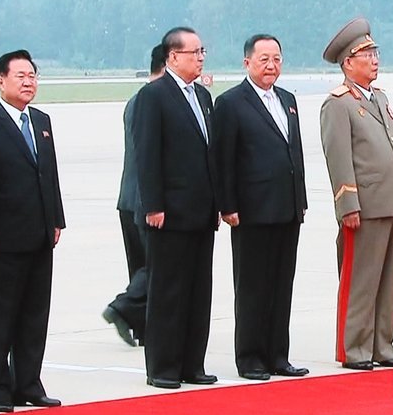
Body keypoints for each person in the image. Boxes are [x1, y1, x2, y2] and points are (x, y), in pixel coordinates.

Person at [0, 49, 65, 412]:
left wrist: (56, 219)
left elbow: (49, 175)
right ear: (1, 81)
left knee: (34, 314)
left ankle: (28, 384)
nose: (28, 82)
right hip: (1, 239)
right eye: (20, 76)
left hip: (40, 234)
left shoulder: (41, 121)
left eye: (32, 76)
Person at [211, 34, 309, 381]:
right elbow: (223, 159)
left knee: (282, 284)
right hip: (251, 211)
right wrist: (227, 205)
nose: (271, 66)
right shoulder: (231, 103)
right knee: (253, 287)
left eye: (277, 59)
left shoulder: (287, 100)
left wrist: (300, 200)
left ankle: (277, 355)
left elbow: (294, 153)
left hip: (286, 208)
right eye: (264, 59)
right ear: (247, 63)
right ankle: (250, 357)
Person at [320, 17, 393, 371]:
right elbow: (339, 158)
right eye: (366, 55)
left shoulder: (379, 97)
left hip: (390, 201)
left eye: (375, 53)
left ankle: (381, 344)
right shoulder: (338, 104)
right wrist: (348, 204)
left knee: (386, 280)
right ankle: (354, 347)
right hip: (364, 205)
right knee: (360, 280)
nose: (374, 60)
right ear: (348, 63)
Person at [135, 27, 218, 389]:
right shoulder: (153, 96)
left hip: (201, 211)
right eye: (193, 53)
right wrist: (153, 204)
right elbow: (147, 153)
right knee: (168, 291)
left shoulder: (202, 95)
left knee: (198, 291)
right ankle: (163, 366)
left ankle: (191, 363)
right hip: (169, 212)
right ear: (172, 57)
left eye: (202, 52)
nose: (200, 58)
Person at [103, 44, 165, 347]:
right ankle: (123, 307)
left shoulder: (136, 99)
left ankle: (143, 326)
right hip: (145, 200)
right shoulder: (152, 100)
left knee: (141, 264)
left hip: (130, 197)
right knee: (157, 265)